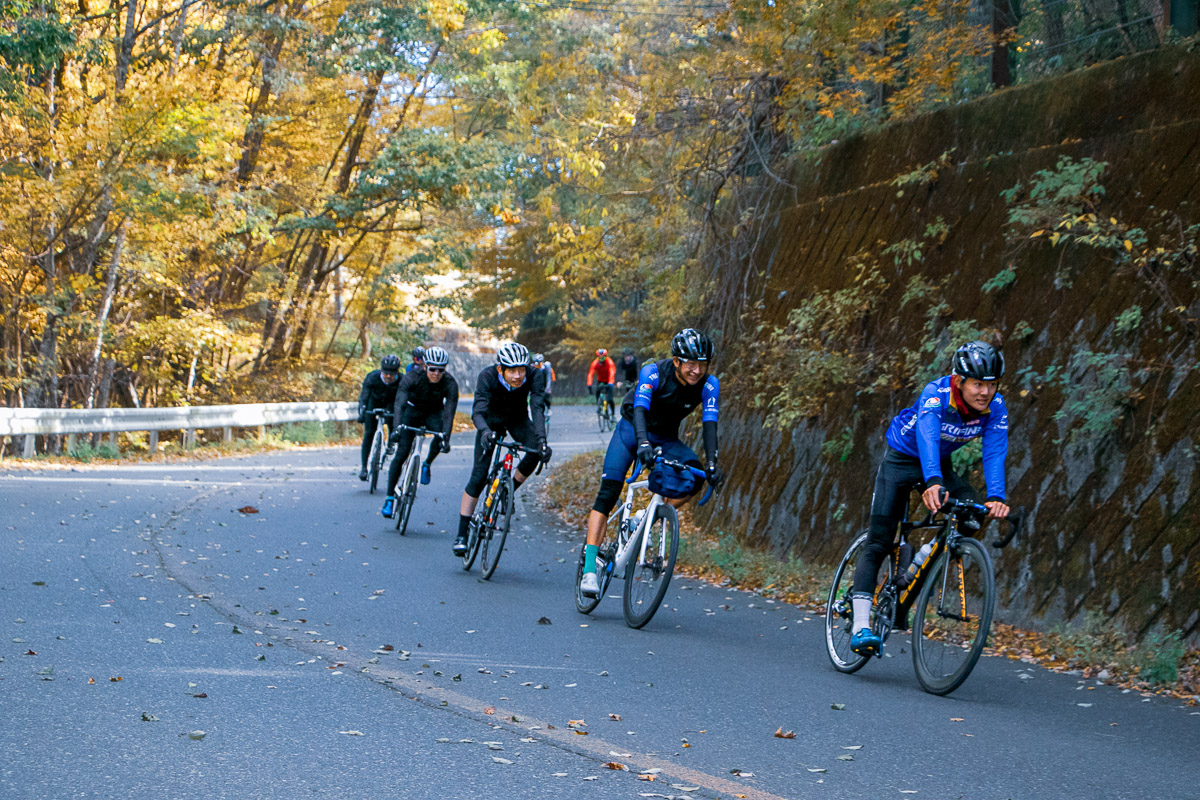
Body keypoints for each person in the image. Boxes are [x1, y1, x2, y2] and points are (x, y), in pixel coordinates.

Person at [848, 340, 1010, 656]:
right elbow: (927, 436)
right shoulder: (936, 394)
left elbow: (994, 450)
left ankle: (923, 559)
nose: (985, 392)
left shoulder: (996, 407)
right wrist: (933, 480)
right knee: (880, 542)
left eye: (991, 385)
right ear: (959, 381)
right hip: (903, 458)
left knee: (972, 513)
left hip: (938, 464)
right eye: (978, 384)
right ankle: (861, 627)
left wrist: (996, 496)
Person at [579, 329, 723, 597]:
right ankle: (589, 569)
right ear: (677, 361)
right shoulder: (653, 372)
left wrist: (713, 462)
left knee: (698, 477)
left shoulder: (709, 384)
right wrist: (643, 444)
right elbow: (640, 410)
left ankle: (644, 518)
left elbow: (710, 426)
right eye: (691, 363)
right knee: (609, 491)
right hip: (633, 429)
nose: (697, 371)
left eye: (702, 364)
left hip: (666, 438)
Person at [453, 343, 552, 556]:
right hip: (490, 422)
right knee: (479, 476)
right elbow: (477, 412)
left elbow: (537, 408)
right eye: (512, 370)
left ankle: (508, 489)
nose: (518, 375)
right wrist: (486, 432)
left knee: (535, 451)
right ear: (501, 369)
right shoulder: (487, 376)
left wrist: (542, 441)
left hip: (518, 419)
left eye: (521, 370)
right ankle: (462, 534)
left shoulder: (535, 375)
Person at [381, 347, 459, 517]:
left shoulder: (450, 383)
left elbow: (449, 412)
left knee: (441, 437)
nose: (436, 373)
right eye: (432, 369)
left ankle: (427, 463)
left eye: (441, 370)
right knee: (401, 453)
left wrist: (446, 437)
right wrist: (396, 429)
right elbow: (399, 403)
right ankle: (389, 498)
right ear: (425, 366)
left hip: (434, 412)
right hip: (412, 411)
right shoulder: (412, 377)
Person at [356, 354, 402, 480]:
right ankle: (364, 467)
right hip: (374, 403)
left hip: (392, 404)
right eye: (386, 372)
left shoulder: (402, 380)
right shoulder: (372, 377)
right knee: (369, 433)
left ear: (397, 372)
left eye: (392, 373)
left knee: (394, 422)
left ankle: (390, 444)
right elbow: (364, 396)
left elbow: (403, 400)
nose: (388, 376)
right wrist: (362, 412)